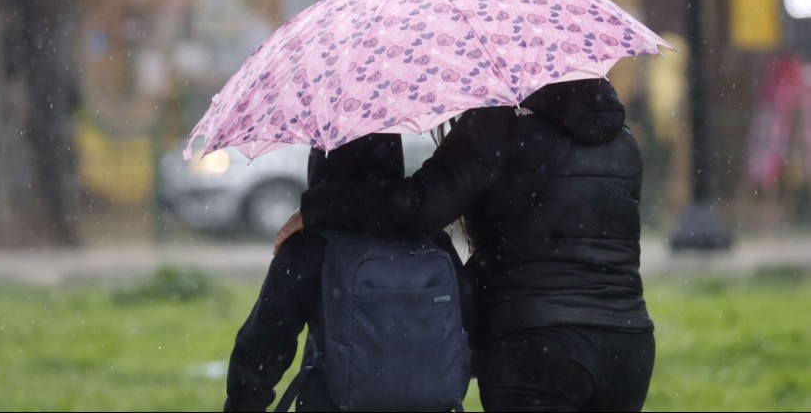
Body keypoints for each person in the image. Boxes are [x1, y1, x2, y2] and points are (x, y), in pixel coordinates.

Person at [276, 78, 656, 412]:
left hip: (535, 345)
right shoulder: (624, 141)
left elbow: (422, 207)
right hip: (628, 345)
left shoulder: (499, 122)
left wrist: (321, 206)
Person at [224, 134, 471, 412]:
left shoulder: (310, 246)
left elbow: (264, 345)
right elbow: (467, 324)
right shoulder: (431, 241)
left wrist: (241, 403)